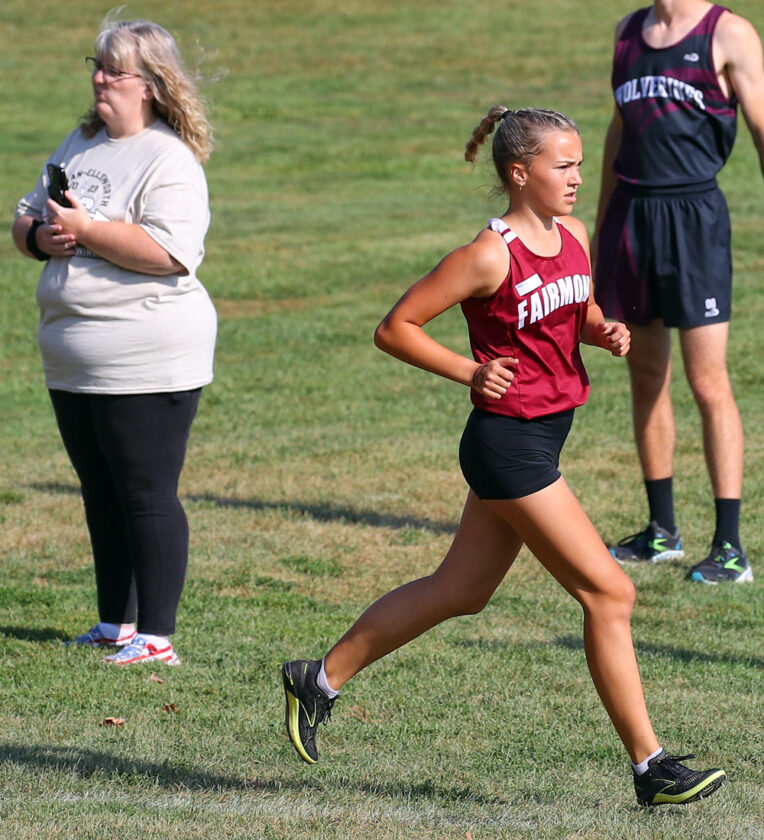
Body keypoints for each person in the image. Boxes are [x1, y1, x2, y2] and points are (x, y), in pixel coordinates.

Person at [281, 105, 726, 806]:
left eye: (579, 165)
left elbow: (571, 309)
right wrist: (470, 370)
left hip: (542, 434)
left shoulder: (571, 234)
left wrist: (601, 330)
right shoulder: (489, 254)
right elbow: (395, 328)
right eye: (563, 166)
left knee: (461, 590)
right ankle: (652, 769)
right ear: (520, 173)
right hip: (508, 446)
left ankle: (318, 678)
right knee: (610, 592)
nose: (577, 177)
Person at [12, 17, 217, 665]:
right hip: (73, 356)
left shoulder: (168, 159)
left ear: (150, 84)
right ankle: (114, 625)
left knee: (145, 493)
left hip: (146, 354)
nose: (99, 79)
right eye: (96, 66)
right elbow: (24, 218)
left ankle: (156, 637)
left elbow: (169, 253)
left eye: (114, 70)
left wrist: (86, 228)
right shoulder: (81, 142)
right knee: (100, 492)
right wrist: (42, 237)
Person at [592, 1, 764, 583]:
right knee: (645, 376)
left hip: (694, 220)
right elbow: (619, 131)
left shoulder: (729, 33)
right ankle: (661, 531)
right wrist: (600, 232)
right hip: (631, 220)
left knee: (708, 382)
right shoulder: (628, 31)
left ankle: (731, 549)